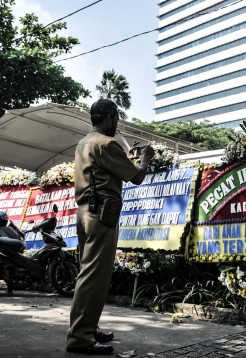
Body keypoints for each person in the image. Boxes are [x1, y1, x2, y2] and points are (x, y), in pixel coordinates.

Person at [66, 99, 154, 355]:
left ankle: (88, 328)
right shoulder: (106, 143)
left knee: (88, 272)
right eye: (116, 118)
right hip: (101, 213)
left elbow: (104, 170)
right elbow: (137, 177)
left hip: (85, 211)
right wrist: (145, 159)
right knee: (95, 276)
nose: (117, 124)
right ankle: (81, 337)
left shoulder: (86, 142)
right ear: (109, 117)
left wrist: (126, 159)